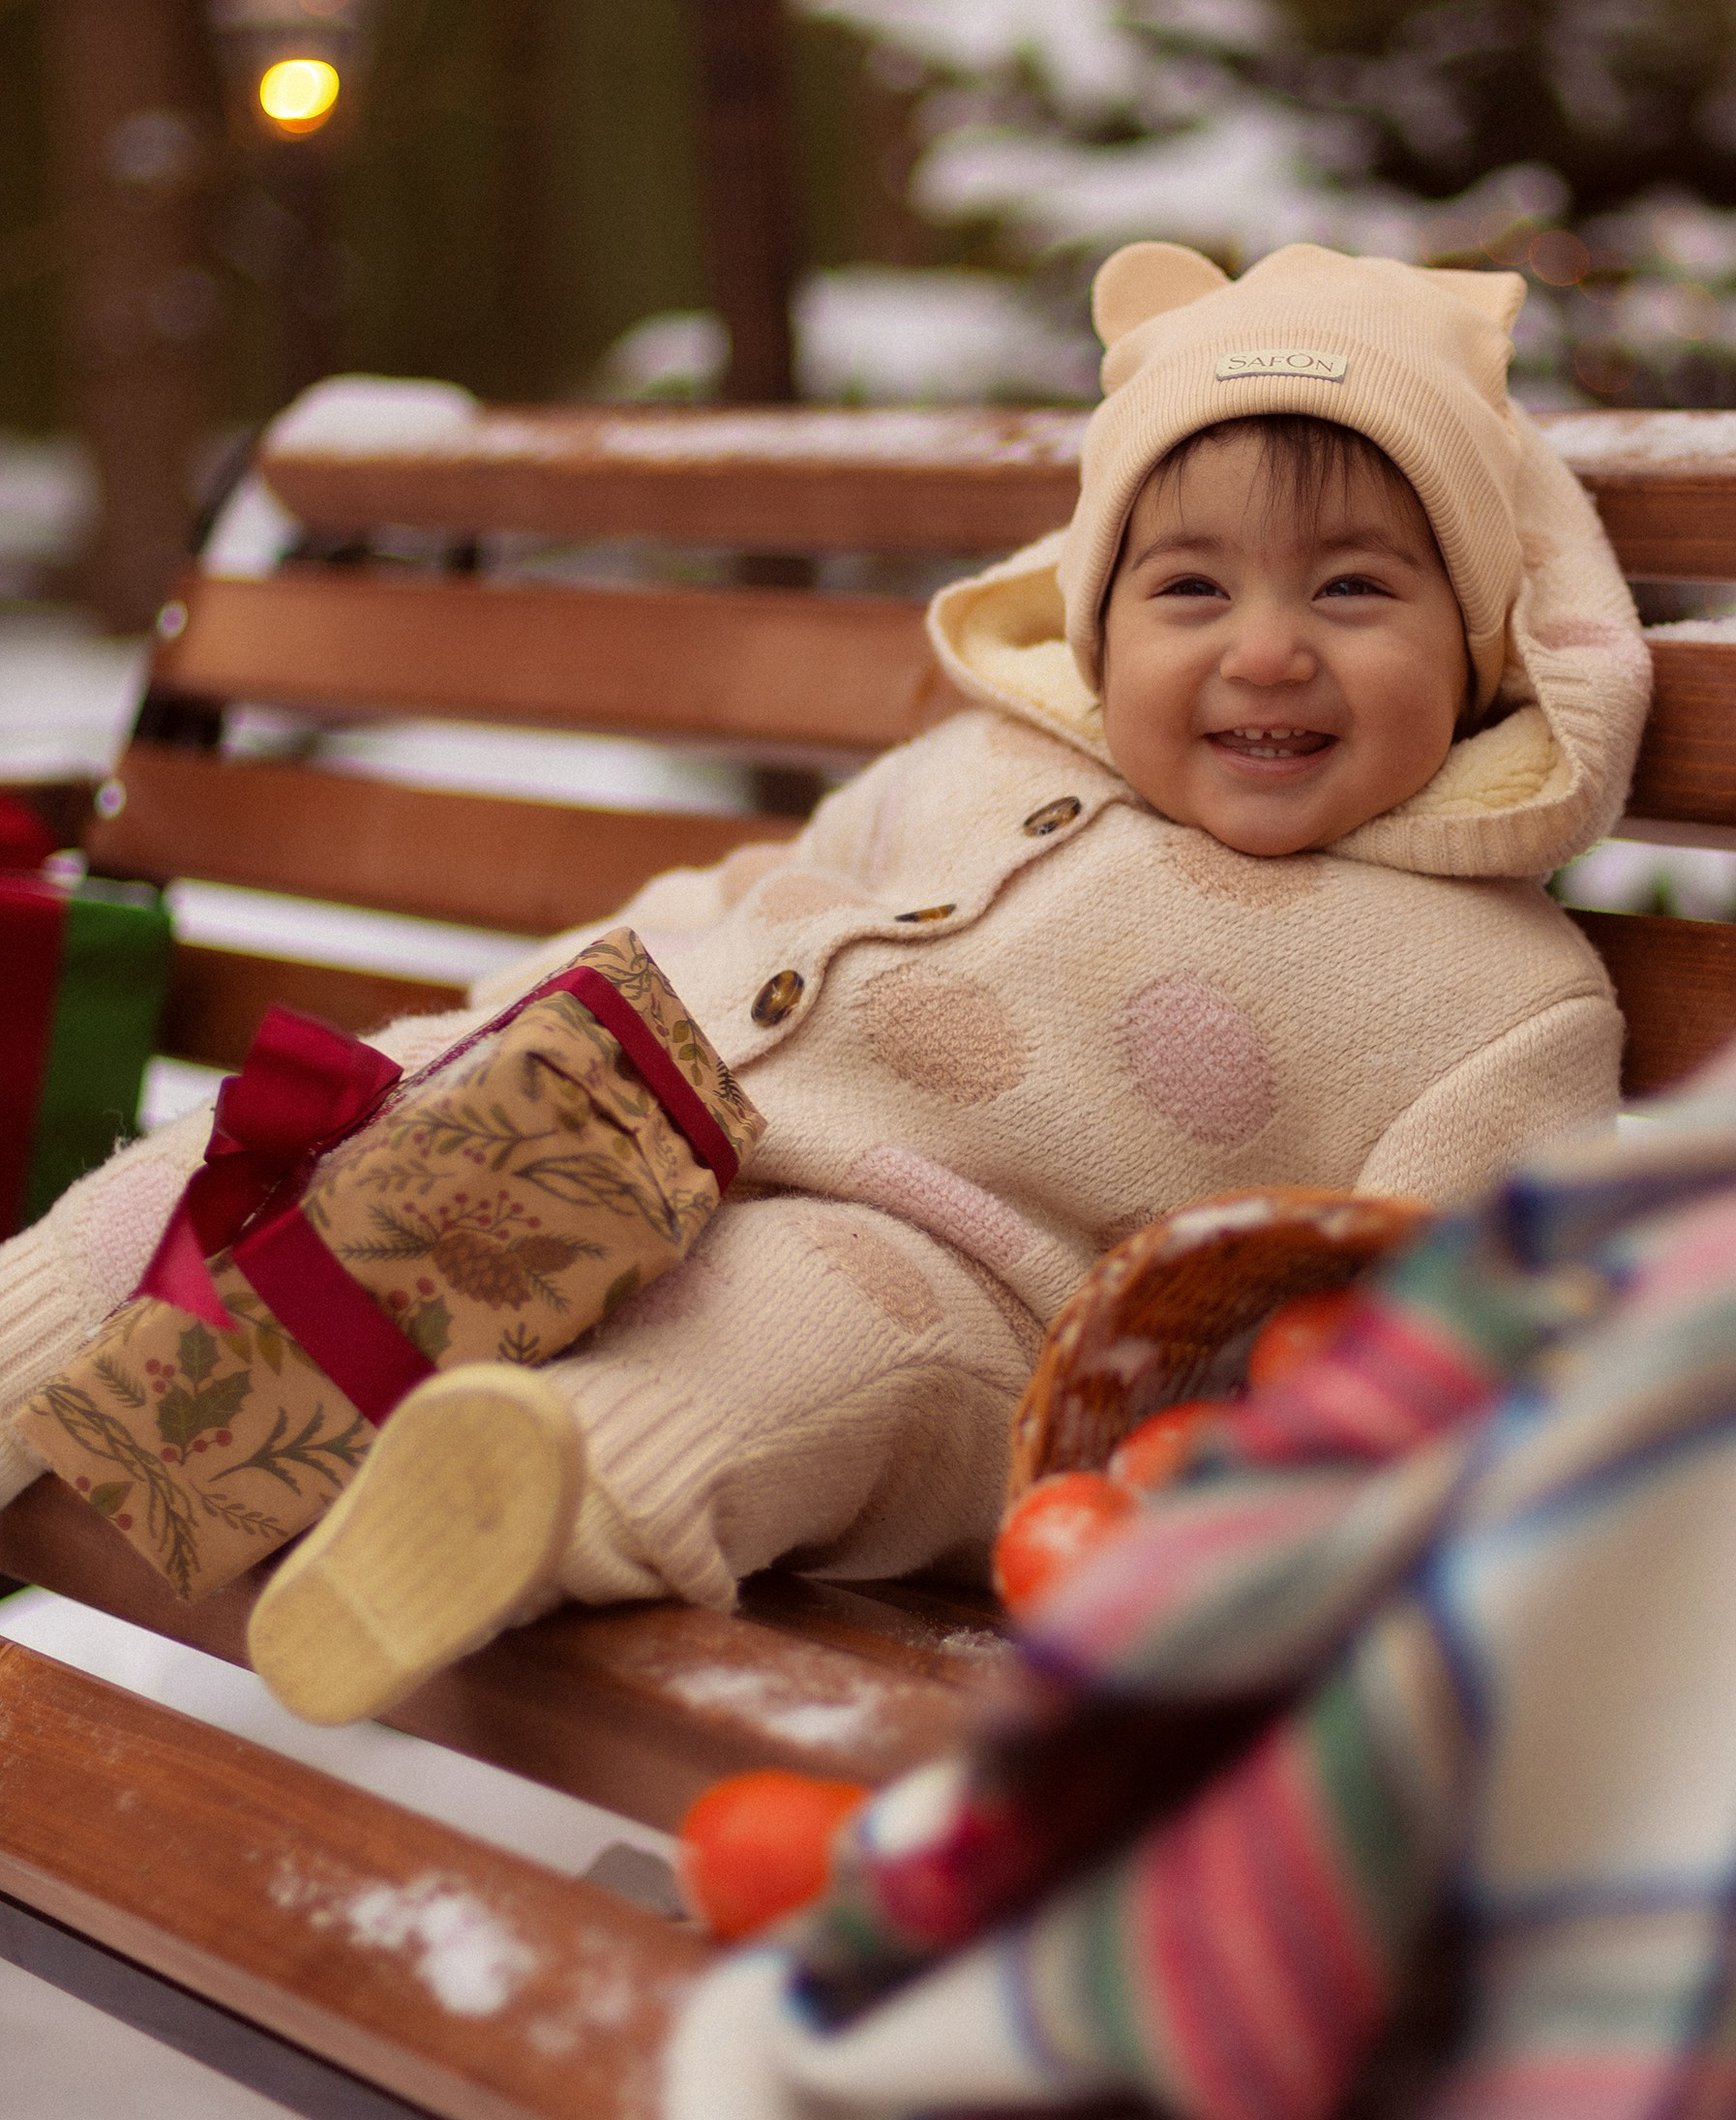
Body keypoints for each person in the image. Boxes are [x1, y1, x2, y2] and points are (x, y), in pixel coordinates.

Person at [0, 240, 1650, 1720]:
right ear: (1098, 627)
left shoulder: (1495, 991)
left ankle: (515, 1509)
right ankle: (35, 1341)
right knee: (284, 1164)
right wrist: (502, 1038)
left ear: (1481, 644)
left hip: (955, 1278)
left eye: (1355, 588)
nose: (1268, 648)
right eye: (1191, 589)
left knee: (792, 1340)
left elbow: (1465, 1324)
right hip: (618, 1110)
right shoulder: (979, 764)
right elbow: (745, 898)